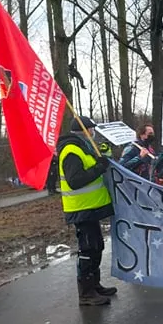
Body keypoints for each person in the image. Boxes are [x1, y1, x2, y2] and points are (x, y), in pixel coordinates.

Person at [57, 116, 117, 306]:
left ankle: (95, 284)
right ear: (84, 131)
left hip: (90, 208)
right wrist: (99, 168)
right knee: (87, 249)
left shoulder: (84, 148)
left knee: (97, 247)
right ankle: (86, 293)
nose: (93, 132)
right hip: (80, 209)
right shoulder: (71, 150)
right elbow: (75, 181)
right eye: (91, 129)